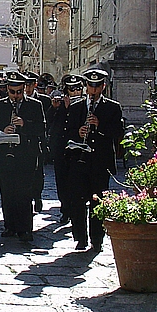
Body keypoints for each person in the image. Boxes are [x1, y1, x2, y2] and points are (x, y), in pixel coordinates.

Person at [65, 69, 124, 251]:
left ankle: (96, 239)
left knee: (97, 201)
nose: (93, 90)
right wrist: (78, 132)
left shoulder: (112, 108)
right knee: (77, 200)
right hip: (79, 160)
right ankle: (80, 237)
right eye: (90, 86)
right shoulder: (76, 106)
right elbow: (67, 133)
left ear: (103, 87)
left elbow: (118, 134)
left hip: (100, 162)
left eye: (97, 86)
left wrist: (100, 125)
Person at [0, 72, 45, 245]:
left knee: (24, 193)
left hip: (26, 155)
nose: (16, 96)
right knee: (7, 191)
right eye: (12, 92)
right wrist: (2, 130)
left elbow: (41, 128)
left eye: (19, 92)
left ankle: (25, 228)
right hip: (5, 155)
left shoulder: (35, 105)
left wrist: (25, 125)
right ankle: (9, 225)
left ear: (24, 89)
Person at [48, 74, 86, 225]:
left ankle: (75, 210)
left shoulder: (84, 104)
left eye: (78, 89)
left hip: (78, 149)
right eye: (72, 89)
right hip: (61, 149)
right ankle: (65, 209)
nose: (75, 92)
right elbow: (50, 122)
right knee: (61, 181)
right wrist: (56, 107)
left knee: (76, 182)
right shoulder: (61, 105)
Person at [22, 71, 47, 212]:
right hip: (24, 142)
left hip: (38, 142)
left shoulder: (43, 100)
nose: (27, 88)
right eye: (25, 84)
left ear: (35, 85)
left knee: (38, 173)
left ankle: (37, 196)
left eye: (30, 84)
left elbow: (45, 123)